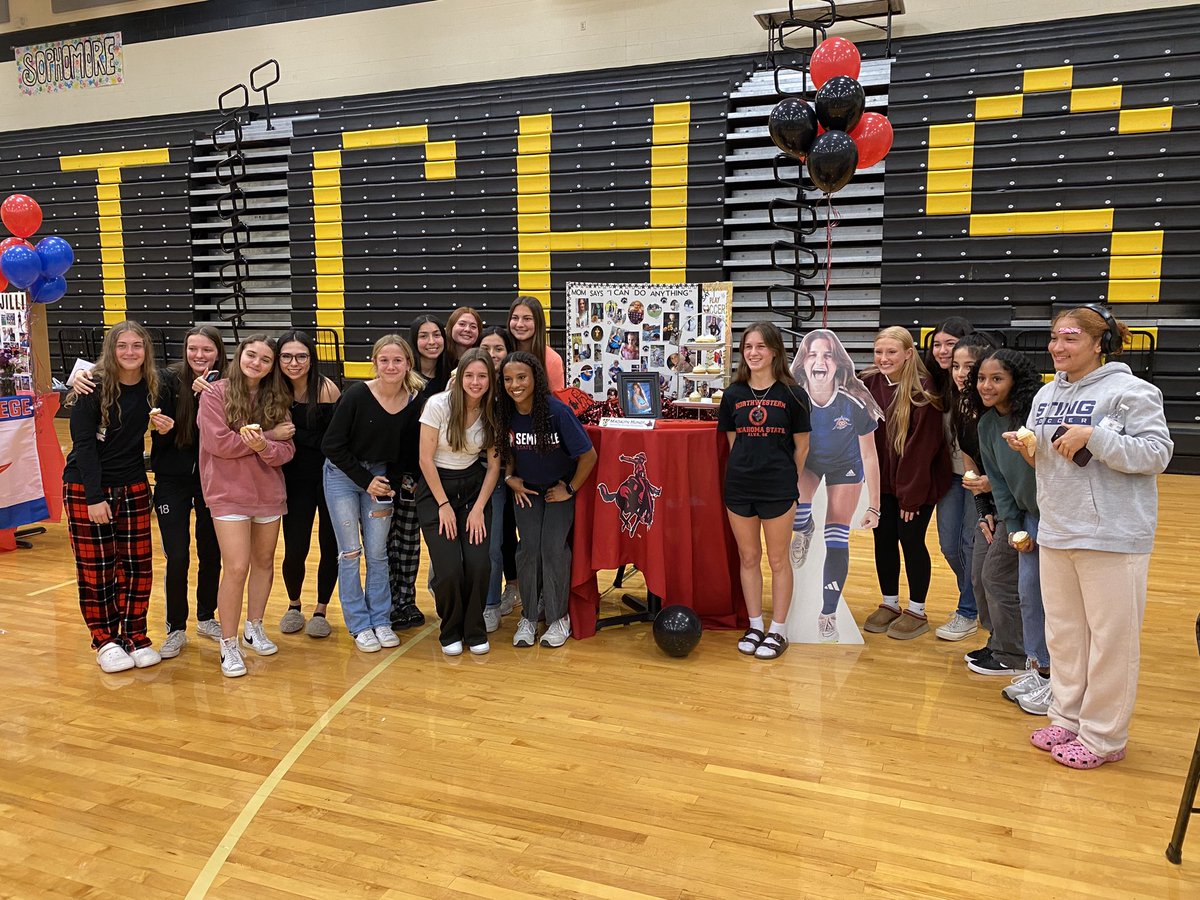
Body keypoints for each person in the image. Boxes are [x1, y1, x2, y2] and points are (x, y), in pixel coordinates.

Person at [1006, 307, 1172, 769]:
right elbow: (1054, 464)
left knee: (1110, 639)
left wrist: (1093, 436)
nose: (1058, 347)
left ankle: (1104, 736)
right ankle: (1067, 716)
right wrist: (1031, 450)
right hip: (1058, 526)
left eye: (1070, 338)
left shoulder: (1132, 391)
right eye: (1054, 338)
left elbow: (1156, 454)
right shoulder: (1043, 396)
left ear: (1099, 344)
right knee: (1065, 636)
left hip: (1114, 533)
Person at [72, 325, 228, 657]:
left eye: (207, 350)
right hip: (161, 481)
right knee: (170, 556)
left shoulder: (216, 384)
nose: (199, 356)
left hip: (193, 482)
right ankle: (154, 631)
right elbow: (83, 429)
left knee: (152, 563)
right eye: (192, 349)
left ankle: (163, 628)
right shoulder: (165, 381)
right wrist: (76, 380)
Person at [63, 321, 167, 672]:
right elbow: (84, 445)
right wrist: (94, 497)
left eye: (137, 345)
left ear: (146, 351)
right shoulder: (92, 386)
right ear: (111, 350)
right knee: (98, 568)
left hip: (134, 485)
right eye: (122, 346)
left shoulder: (155, 384)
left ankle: (135, 635)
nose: (130, 352)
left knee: (138, 566)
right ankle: (105, 639)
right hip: (87, 487)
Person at [198, 334, 295, 678]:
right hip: (227, 494)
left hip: (268, 492)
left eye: (265, 359)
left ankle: (255, 626)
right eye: (251, 355)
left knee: (264, 561)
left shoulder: (276, 397)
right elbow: (218, 443)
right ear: (240, 355)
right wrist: (268, 438)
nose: (256, 362)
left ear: (271, 367)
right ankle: (228, 643)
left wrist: (267, 447)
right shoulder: (214, 393)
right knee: (236, 567)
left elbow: (287, 451)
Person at [322, 335, 425, 653]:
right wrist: (366, 480)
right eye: (384, 360)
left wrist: (385, 482)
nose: (391, 366)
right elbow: (332, 445)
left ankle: (380, 619)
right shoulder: (357, 395)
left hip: (380, 479)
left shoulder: (415, 400)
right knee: (351, 552)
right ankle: (359, 624)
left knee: (378, 553)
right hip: (343, 476)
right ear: (374, 362)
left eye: (397, 360)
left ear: (408, 363)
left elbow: (407, 453)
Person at [718, 322, 811, 660]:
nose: (753, 353)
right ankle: (756, 624)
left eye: (760, 346)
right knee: (748, 557)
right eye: (748, 347)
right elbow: (733, 442)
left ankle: (778, 630)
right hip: (739, 487)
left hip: (778, 489)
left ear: (774, 351)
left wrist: (786, 478)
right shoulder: (734, 394)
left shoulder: (793, 394)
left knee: (777, 559)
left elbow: (802, 447)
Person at [787, 329, 883, 643]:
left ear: (838, 364)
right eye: (813, 354)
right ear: (803, 363)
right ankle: (804, 527)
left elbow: (870, 455)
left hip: (846, 465)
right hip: (810, 460)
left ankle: (827, 613)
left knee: (837, 538)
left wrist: (874, 506)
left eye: (827, 354)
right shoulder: (793, 397)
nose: (820, 360)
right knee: (799, 503)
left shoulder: (853, 401)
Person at [496, 351, 597, 648]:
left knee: (553, 549)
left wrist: (570, 488)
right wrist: (509, 477)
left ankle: (557, 617)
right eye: (508, 379)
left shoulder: (556, 411)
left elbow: (588, 456)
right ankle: (528, 615)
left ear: (535, 378)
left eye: (522, 377)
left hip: (557, 491)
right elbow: (509, 451)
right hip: (526, 491)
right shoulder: (506, 412)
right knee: (528, 550)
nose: (515, 384)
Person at [860, 326, 951, 640]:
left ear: (909, 354)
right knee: (882, 541)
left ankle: (917, 609)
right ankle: (888, 603)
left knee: (910, 541)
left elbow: (921, 449)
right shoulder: (867, 382)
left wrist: (910, 497)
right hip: (880, 483)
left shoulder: (923, 391)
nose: (884, 358)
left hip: (915, 486)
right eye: (879, 352)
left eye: (891, 352)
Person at [967, 348, 1046, 690]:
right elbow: (998, 482)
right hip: (1020, 514)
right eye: (982, 378)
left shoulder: (1035, 416)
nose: (986, 385)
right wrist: (1012, 528)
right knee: (995, 577)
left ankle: (1023, 656)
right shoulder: (986, 424)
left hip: (1056, 516)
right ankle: (1013, 652)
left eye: (997, 378)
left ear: (1016, 381)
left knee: (1027, 589)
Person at [417, 348, 502, 655]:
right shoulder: (437, 405)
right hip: (436, 489)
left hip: (472, 490)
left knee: (480, 564)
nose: (476, 382)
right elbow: (425, 460)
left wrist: (479, 508)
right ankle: (450, 628)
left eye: (482, 376)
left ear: (490, 379)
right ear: (460, 376)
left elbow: (494, 466)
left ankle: (474, 628)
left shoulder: (494, 409)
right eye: (469, 375)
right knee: (450, 567)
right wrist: (443, 506)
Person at [277, 330, 342, 638]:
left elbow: (332, 442)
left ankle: (321, 609)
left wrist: (293, 434)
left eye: (301, 356)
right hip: (292, 480)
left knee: (330, 546)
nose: (294, 362)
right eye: (287, 356)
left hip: (329, 478)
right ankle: (293, 605)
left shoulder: (327, 389)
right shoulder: (272, 391)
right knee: (294, 548)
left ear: (311, 359)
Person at [923, 317, 983, 643]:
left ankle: (969, 610)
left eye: (951, 344)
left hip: (978, 477)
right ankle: (974, 599)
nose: (943, 351)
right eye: (938, 344)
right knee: (949, 545)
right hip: (950, 476)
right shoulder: (937, 382)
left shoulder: (983, 386)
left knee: (971, 544)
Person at [479, 326, 521, 629]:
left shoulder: (514, 386)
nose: (493, 354)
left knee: (505, 539)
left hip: (514, 474)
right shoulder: (471, 382)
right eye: (487, 348)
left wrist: (509, 474)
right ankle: (482, 599)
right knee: (486, 540)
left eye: (499, 348)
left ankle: (515, 593)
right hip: (478, 475)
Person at [508, 295, 566, 391]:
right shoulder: (503, 351)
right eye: (515, 318)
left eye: (527, 319)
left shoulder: (552, 360)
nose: (519, 324)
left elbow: (557, 402)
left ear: (538, 322)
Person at [411, 315, 452, 397]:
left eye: (436, 335)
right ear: (414, 340)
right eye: (423, 336)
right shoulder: (405, 374)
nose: (431, 342)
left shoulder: (451, 374)